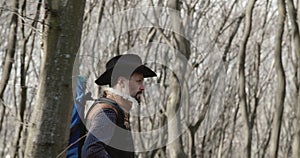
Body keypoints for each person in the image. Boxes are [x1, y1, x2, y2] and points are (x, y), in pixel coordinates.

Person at [81, 54, 157, 158]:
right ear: (121, 82)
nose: (142, 87)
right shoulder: (108, 112)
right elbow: (92, 151)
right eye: (138, 81)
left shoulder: (117, 110)